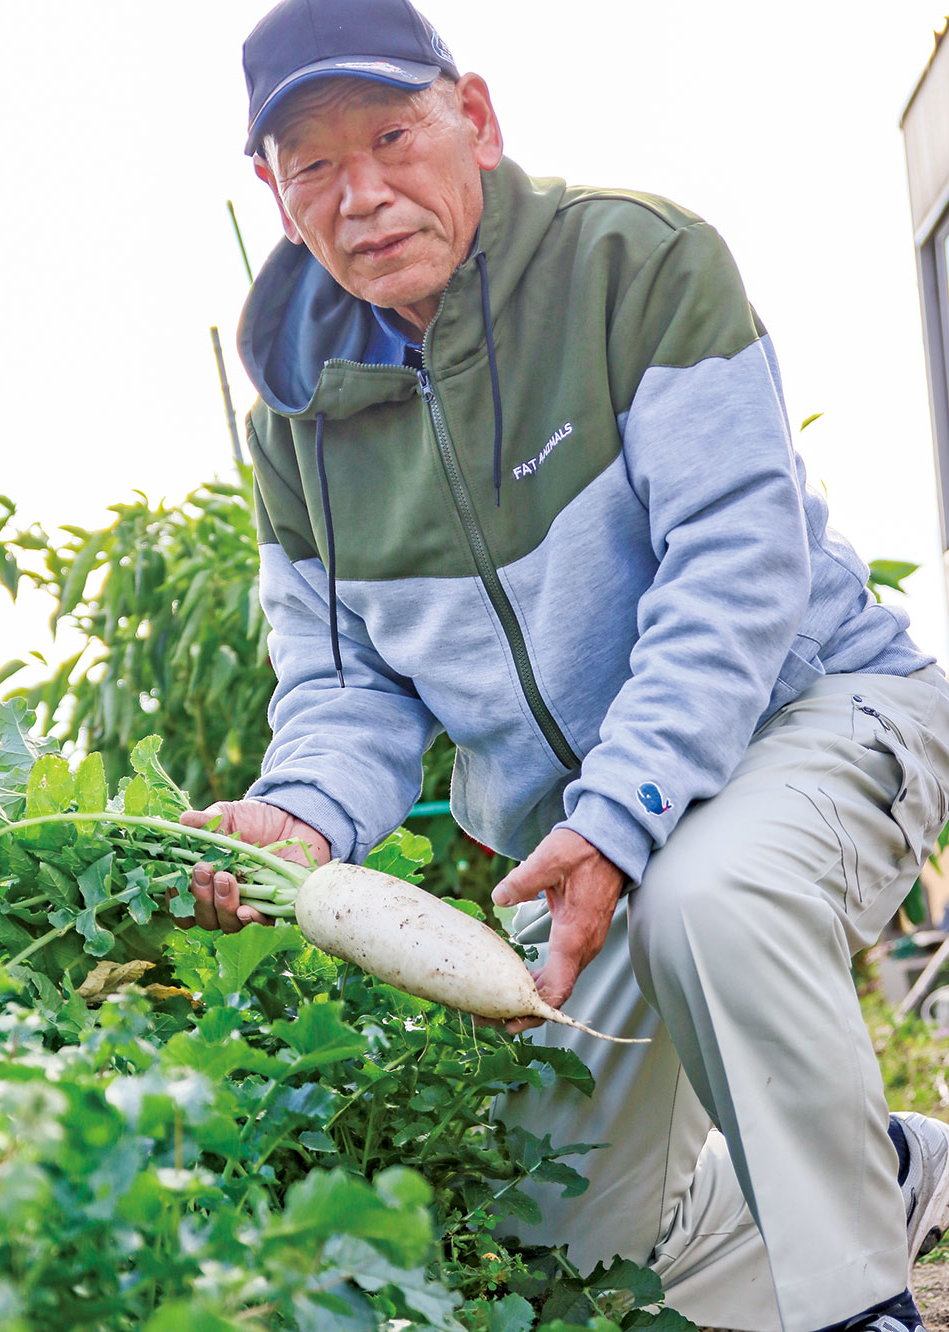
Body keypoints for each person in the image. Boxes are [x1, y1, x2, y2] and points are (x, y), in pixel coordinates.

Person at [179, 0, 949, 1327]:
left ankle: (854, 1301)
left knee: (703, 891)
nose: (362, 194)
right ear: (273, 189)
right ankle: (877, 1165)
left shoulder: (633, 266)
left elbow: (735, 569)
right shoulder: (300, 423)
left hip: (809, 715)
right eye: (314, 164)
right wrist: (297, 818)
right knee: (558, 1241)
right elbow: (345, 686)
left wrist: (618, 816)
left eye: (393, 133)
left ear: (472, 119)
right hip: (583, 838)